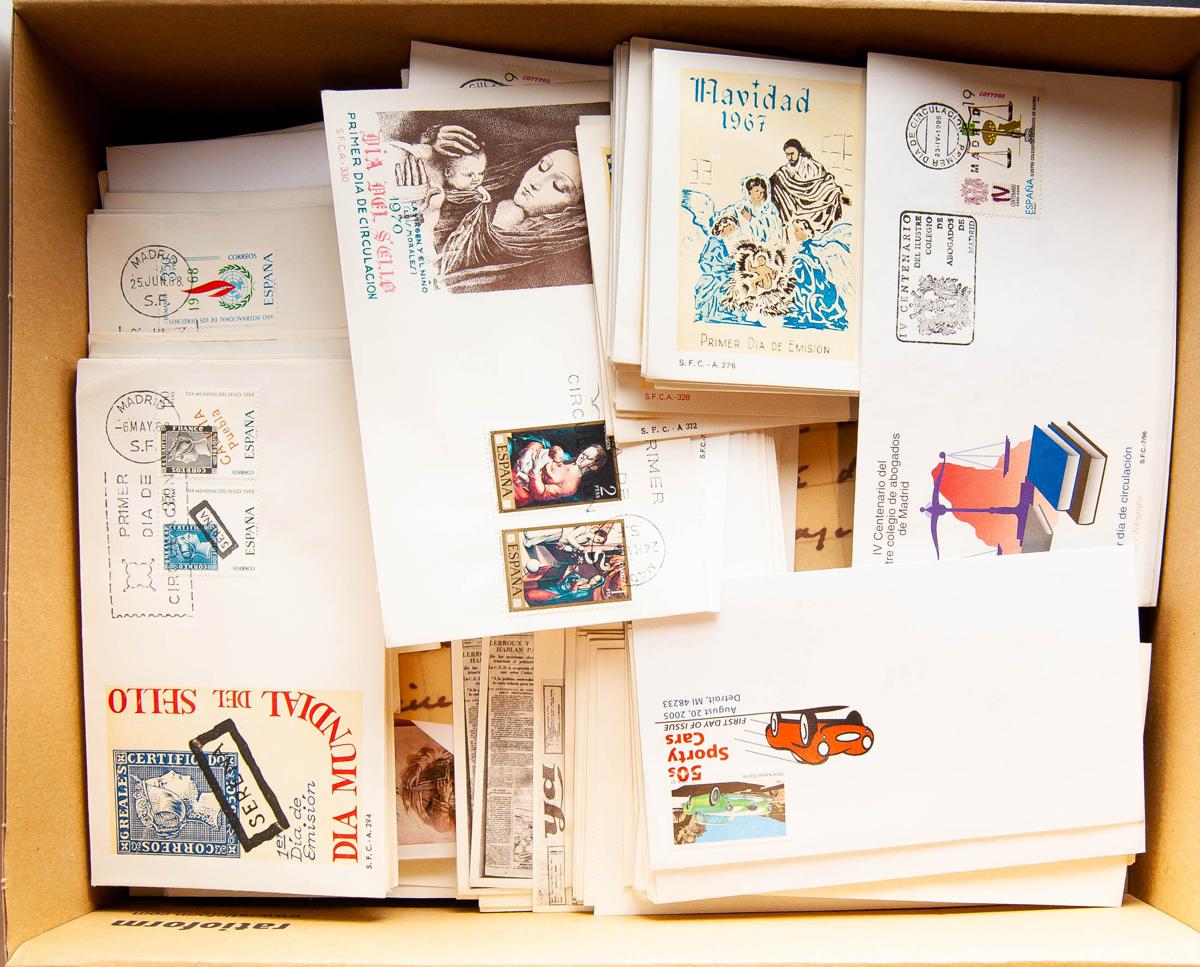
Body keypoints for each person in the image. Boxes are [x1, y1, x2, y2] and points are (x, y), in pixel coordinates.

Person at [438, 145, 592, 292]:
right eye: (542, 167)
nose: (535, 182)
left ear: (573, 211)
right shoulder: (479, 198)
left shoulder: (546, 262)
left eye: (557, 186)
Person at [768, 138, 850, 236]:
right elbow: (775, 179)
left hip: (816, 202)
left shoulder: (814, 167)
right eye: (787, 154)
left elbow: (825, 183)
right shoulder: (786, 170)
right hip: (795, 205)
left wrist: (837, 193)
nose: (790, 157)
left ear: (799, 151)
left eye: (792, 153)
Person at [512, 437, 608, 506]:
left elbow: (540, 494)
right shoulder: (566, 457)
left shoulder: (570, 486)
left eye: (588, 458)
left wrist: (535, 470)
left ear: (594, 467)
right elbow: (542, 444)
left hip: (518, 491)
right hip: (516, 469)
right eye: (584, 453)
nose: (583, 457)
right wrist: (528, 452)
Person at [737, 175, 782, 246]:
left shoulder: (770, 207)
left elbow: (775, 226)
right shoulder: (744, 207)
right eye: (757, 191)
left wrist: (752, 219)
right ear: (749, 192)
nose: (760, 194)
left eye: (762, 191)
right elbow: (743, 229)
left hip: (770, 244)